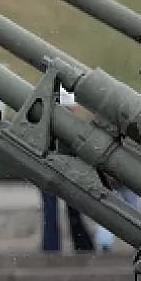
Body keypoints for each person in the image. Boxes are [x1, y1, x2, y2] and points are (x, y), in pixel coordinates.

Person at [41, 87, 94, 253]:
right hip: (67, 166)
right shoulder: (68, 120)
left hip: (50, 164)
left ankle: (52, 247)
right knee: (71, 211)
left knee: (53, 210)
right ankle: (81, 246)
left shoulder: (48, 115)